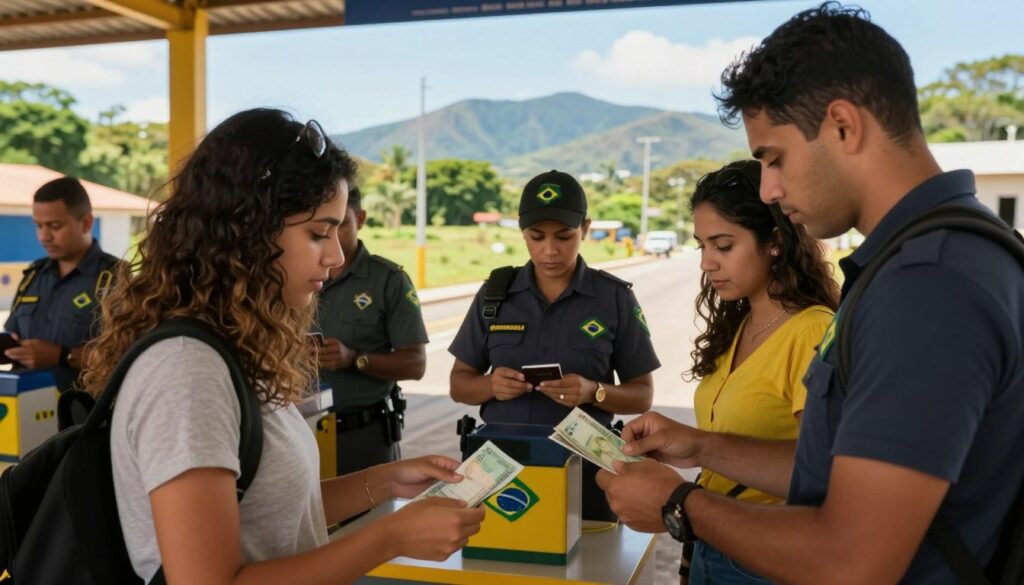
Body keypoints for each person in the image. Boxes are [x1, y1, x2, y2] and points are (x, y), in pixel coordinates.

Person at [597, 3, 1024, 584]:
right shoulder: (943, 254)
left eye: (775, 158)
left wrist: (680, 506)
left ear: (844, 126)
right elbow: (833, 468)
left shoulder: (926, 284)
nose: (770, 188)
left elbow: (853, 560)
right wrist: (700, 446)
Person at [82, 108, 483, 584]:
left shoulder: (231, 349)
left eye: (337, 231)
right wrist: (388, 538)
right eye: (317, 233)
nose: (334, 257)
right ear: (246, 229)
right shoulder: (188, 372)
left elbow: (266, 509)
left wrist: (384, 484)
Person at [448, 169, 660, 521]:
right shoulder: (495, 295)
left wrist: (594, 392)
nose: (549, 250)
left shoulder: (613, 298)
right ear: (522, 232)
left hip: (586, 468)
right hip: (502, 467)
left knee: (588, 568)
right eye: (536, 236)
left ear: (585, 229)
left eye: (564, 236)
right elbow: (459, 384)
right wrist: (491, 386)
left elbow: (642, 394)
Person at [681, 159, 838, 583]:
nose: (707, 263)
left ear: (773, 241)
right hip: (712, 542)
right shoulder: (738, 323)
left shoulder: (812, 330)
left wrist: (698, 446)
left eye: (723, 245)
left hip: (766, 559)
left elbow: (820, 475)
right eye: (702, 246)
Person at [315, 185, 428, 476]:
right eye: (320, 227)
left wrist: (353, 358)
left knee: (369, 520)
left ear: (361, 219)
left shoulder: (388, 280)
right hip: (300, 431)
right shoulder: (295, 276)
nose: (330, 236)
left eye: (340, 224)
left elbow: (415, 365)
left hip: (362, 436)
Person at [4, 176, 121, 392]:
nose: (44, 236)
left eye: (54, 226)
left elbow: (128, 355)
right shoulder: (34, 275)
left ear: (86, 223)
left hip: (84, 417)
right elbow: (14, 337)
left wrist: (63, 356)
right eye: (38, 226)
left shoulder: (115, 278)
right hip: (26, 412)